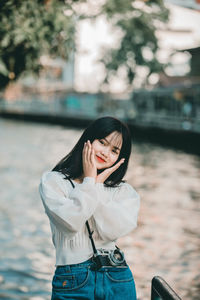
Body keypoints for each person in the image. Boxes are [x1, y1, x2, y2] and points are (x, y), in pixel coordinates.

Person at [39, 116, 140, 300]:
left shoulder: (124, 191)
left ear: (120, 158)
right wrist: (90, 182)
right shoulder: (53, 182)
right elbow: (71, 223)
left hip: (117, 277)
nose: (106, 153)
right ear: (89, 139)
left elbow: (111, 231)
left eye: (114, 150)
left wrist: (96, 184)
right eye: (102, 142)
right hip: (73, 280)